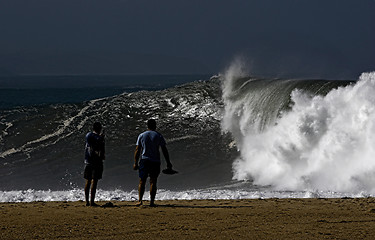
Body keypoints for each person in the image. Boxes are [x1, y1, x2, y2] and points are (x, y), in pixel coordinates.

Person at [134, 119, 172, 207]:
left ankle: (140, 200)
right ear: (155, 126)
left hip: (144, 160)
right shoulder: (158, 135)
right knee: (153, 181)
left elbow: (137, 150)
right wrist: (168, 162)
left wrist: (135, 162)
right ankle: (151, 202)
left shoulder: (142, 135)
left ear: (147, 126)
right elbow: (164, 150)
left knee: (142, 181)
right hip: (155, 161)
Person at [84, 122, 105, 206]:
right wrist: (102, 137)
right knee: (94, 181)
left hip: (88, 161)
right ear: (99, 129)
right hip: (96, 162)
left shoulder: (88, 135)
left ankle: (87, 201)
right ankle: (92, 201)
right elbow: (101, 149)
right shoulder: (99, 138)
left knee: (88, 181)